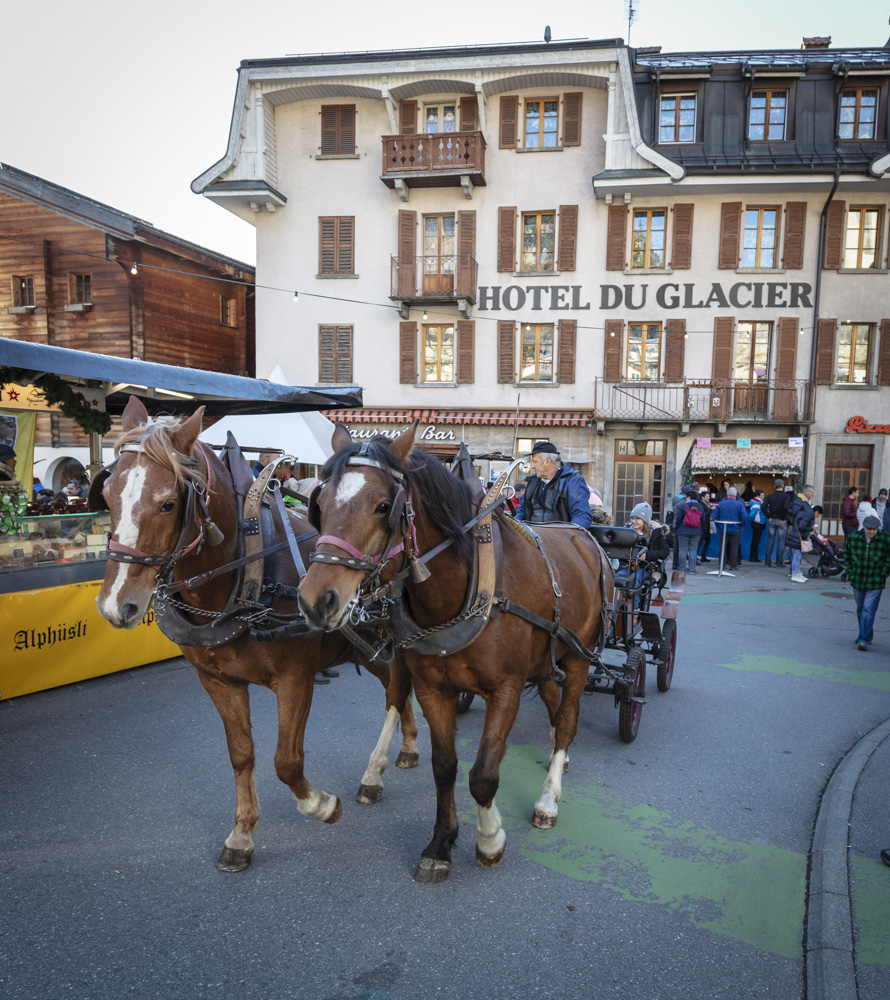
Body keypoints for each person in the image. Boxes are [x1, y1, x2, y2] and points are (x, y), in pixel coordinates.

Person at [514, 442, 592, 530]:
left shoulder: (573, 481)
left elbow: (582, 515)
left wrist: (568, 538)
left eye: (535, 462)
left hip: (560, 538)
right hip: (532, 538)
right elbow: (521, 510)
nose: (532, 466)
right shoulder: (533, 480)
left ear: (547, 461)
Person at [844, 514, 890, 651]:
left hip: (876, 581)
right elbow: (847, 555)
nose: (872, 532)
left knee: (868, 609)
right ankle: (867, 634)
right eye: (869, 529)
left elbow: (889, 559)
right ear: (863, 527)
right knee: (860, 609)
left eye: (875, 529)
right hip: (858, 579)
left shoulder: (886, 539)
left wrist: (883, 574)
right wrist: (851, 572)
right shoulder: (853, 538)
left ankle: (863, 639)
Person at [786, 484, 816, 584]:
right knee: (797, 553)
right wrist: (810, 526)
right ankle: (795, 573)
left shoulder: (804, 501)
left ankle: (795, 572)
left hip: (800, 530)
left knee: (797, 553)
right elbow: (796, 514)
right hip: (799, 530)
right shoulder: (799, 501)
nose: (813, 494)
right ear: (806, 492)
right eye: (812, 492)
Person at [674, 485, 705, 574]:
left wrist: (676, 528)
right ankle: (692, 569)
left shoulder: (684, 506)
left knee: (683, 549)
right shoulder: (700, 506)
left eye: (686, 497)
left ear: (689, 497)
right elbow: (703, 520)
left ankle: (682, 568)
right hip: (696, 531)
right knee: (693, 550)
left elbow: (678, 518)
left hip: (683, 530)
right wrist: (702, 529)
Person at [714, 486, 746, 570]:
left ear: (727, 494)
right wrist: (741, 526)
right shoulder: (739, 504)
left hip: (723, 528)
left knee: (722, 547)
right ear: (735, 494)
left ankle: (722, 564)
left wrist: (718, 526)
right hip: (735, 528)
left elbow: (716, 516)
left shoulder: (721, 503)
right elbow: (744, 516)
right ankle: (733, 565)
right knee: (734, 548)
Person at [763, 478, 791, 567]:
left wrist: (768, 516)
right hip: (781, 521)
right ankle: (779, 562)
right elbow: (786, 507)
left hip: (772, 520)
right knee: (781, 542)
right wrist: (783, 517)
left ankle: (767, 562)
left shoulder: (770, 496)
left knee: (770, 541)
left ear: (774, 486)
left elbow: (763, 506)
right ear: (783, 486)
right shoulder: (786, 496)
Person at [747, 489, 767, 562]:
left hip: (756, 523)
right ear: (757, 496)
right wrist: (750, 521)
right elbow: (752, 515)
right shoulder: (757, 504)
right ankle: (753, 557)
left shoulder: (755, 503)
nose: (764, 496)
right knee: (756, 541)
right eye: (762, 495)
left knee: (755, 541)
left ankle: (753, 557)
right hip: (758, 523)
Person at [697, 489, 713, 563]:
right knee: (699, 543)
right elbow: (703, 515)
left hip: (706, 526)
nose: (708, 498)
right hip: (702, 526)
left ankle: (703, 556)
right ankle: (695, 558)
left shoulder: (707, 504)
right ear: (702, 498)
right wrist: (711, 509)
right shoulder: (701, 504)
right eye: (707, 496)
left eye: (709, 496)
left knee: (708, 541)